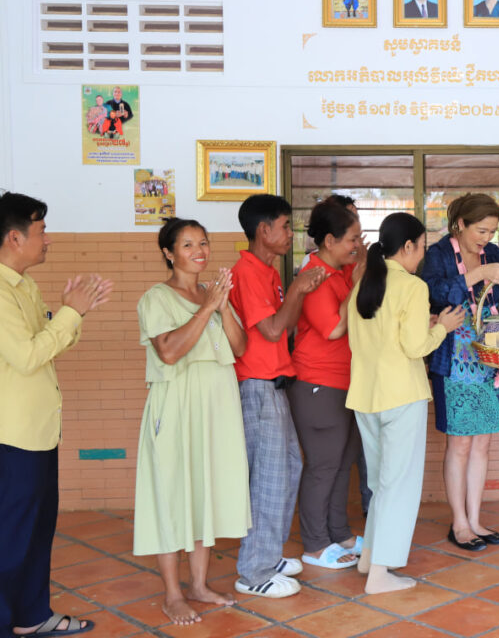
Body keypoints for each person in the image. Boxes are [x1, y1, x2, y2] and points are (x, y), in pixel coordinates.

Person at [0, 192, 112, 638]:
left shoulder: (23, 285)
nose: (48, 239)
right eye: (42, 231)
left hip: (38, 431)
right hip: (12, 436)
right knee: (10, 536)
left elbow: (46, 343)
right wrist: (70, 312)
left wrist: (71, 314)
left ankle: (31, 617)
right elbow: (28, 356)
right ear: (14, 237)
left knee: (37, 529)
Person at [134, 219, 251, 624]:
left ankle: (199, 585)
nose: (199, 251)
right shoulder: (156, 298)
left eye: (203, 243)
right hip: (178, 404)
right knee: (172, 494)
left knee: (205, 491)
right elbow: (169, 352)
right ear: (169, 253)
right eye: (187, 245)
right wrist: (207, 308)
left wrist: (223, 306)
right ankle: (172, 594)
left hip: (217, 404)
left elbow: (239, 346)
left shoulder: (212, 294)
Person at [346, 213, 465, 594]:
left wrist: (427, 325)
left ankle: (369, 560)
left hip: (366, 395)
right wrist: (442, 327)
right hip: (401, 396)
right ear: (409, 246)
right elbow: (415, 347)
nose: (423, 256)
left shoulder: (364, 283)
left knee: (381, 483)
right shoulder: (412, 287)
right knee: (398, 486)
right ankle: (380, 574)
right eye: (422, 248)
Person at [421, 194, 499, 551]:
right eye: (481, 231)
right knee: (460, 443)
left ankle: (475, 519)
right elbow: (433, 293)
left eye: (492, 231)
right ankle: (459, 523)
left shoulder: (494, 254)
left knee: (482, 442)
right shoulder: (439, 255)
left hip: (489, 359)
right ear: (460, 225)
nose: (487, 238)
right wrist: (478, 274)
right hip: (453, 359)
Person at [229, 195, 326, 599]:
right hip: (257, 384)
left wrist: (297, 292)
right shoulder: (247, 271)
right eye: (285, 226)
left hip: (275, 382)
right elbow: (271, 331)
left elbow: (284, 328)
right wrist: (299, 288)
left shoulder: (268, 271)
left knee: (288, 468)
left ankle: (268, 552)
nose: (290, 233)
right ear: (263, 230)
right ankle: (254, 571)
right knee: (268, 478)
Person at [288, 199, 365, 570]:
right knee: (323, 466)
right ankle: (316, 544)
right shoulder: (316, 276)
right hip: (318, 384)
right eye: (352, 239)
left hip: (344, 382)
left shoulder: (340, 271)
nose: (357, 245)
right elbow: (334, 328)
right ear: (330, 240)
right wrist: (358, 282)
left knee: (341, 464)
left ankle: (339, 533)